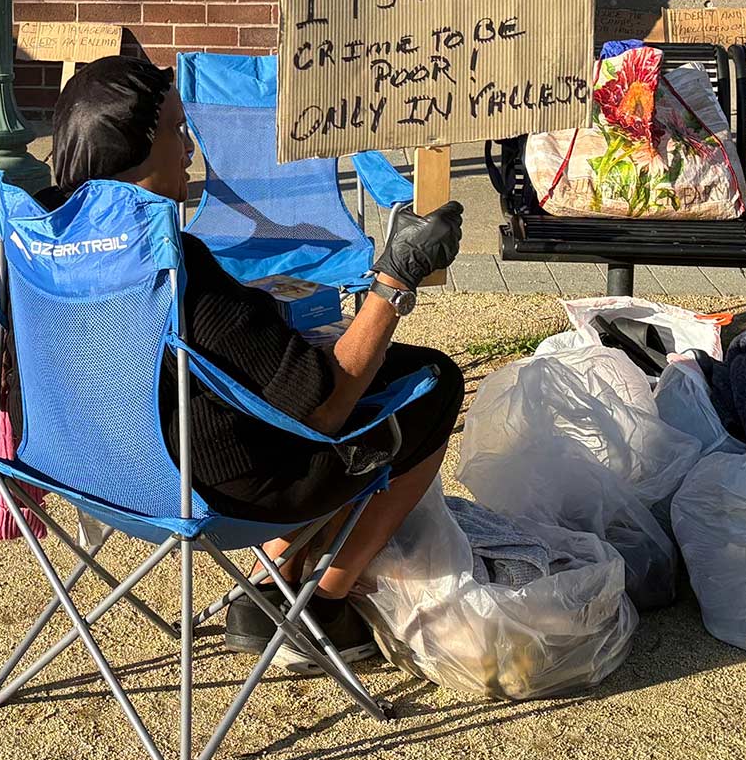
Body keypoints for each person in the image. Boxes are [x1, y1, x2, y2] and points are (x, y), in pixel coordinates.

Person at [37, 54, 466, 669]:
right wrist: (394, 281)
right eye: (174, 132)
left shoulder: (41, 244)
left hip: (93, 470)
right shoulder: (174, 265)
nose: (189, 150)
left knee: (299, 370)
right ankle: (321, 603)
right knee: (431, 383)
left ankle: (272, 583)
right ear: (133, 147)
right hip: (213, 489)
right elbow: (326, 403)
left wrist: (255, 320)